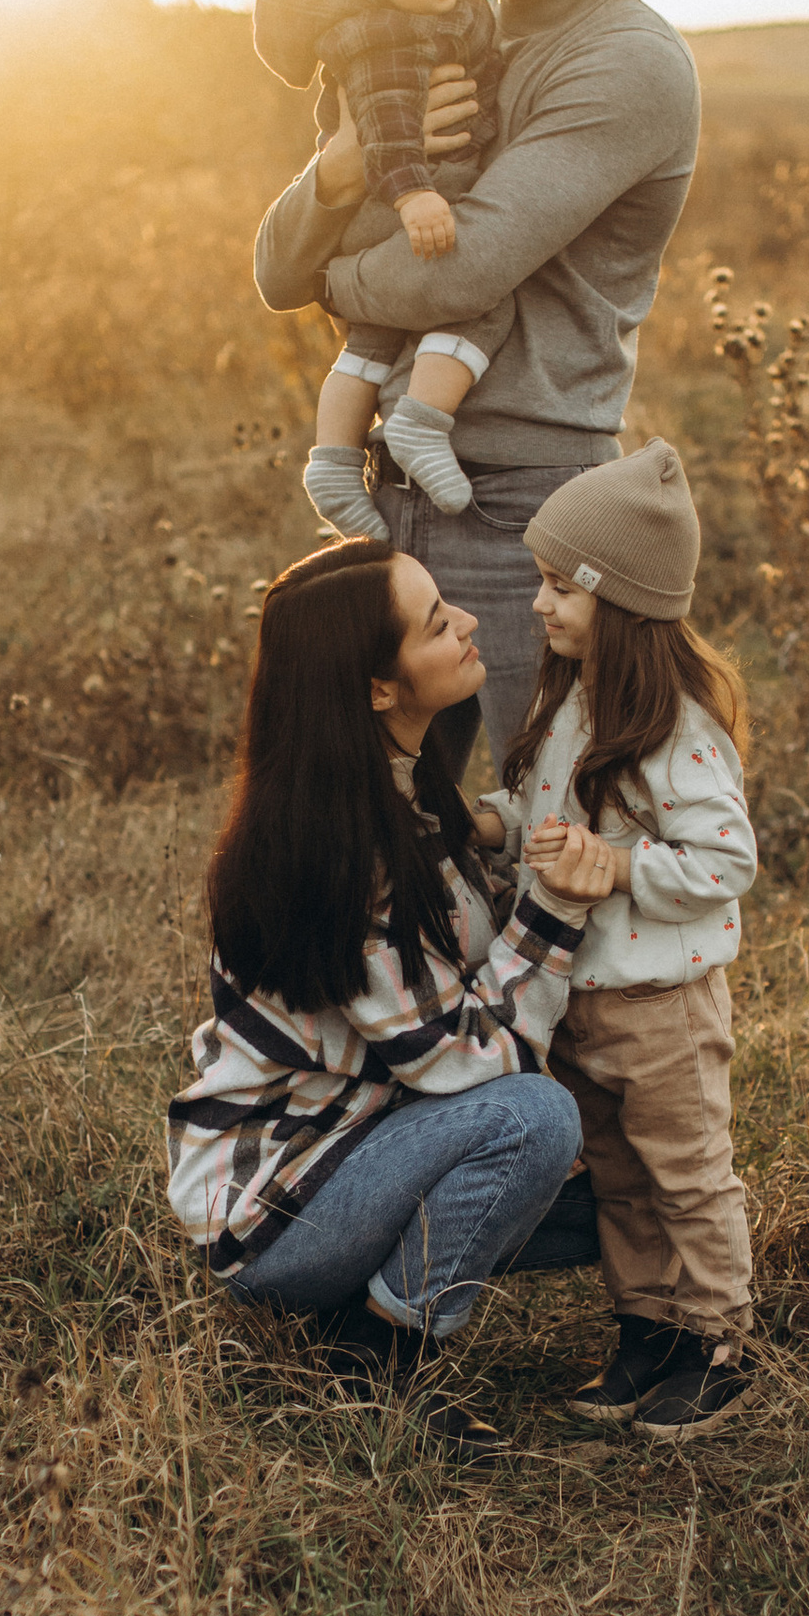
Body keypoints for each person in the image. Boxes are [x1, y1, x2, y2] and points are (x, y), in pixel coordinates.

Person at [253, 0, 701, 781]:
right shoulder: (428, 31)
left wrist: (336, 282)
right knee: (396, 831)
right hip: (398, 479)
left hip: (528, 513)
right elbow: (273, 263)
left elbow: (460, 275)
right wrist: (348, 166)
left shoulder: (626, 62)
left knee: (539, 821)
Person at [165, 539, 597, 1456]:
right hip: (272, 1218)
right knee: (537, 1120)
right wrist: (556, 910)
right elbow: (466, 1059)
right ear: (375, 689)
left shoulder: (399, 786)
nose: (471, 621)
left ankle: (356, 1309)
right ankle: (375, 1361)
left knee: (617, 1197)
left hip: (362, 1144)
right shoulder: (345, 854)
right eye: (439, 622)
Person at [488, 441, 759, 1443]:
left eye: (562, 587)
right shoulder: (567, 701)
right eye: (541, 581)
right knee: (617, 1175)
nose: (540, 605)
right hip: (580, 1001)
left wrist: (624, 866)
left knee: (685, 1172)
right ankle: (649, 1329)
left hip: (661, 1006)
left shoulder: (676, 730)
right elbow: (539, 813)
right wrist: (494, 826)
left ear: (623, 599)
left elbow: (724, 862)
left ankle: (719, 1341)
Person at [251, 0, 511, 540]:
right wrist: (411, 193)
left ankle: (334, 461)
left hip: (381, 220)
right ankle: (421, 424)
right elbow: (390, 137)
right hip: (407, 206)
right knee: (485, 308)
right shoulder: (392, 38)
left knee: (366, 346)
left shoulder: (418, 18)